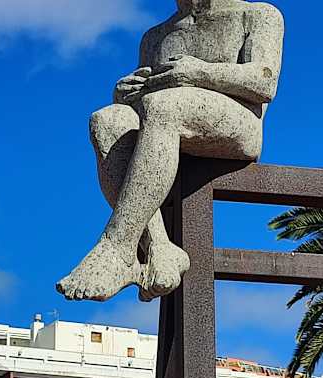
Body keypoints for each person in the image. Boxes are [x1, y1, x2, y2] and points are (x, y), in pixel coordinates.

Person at [57, 0, 284, 302]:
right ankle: (159, 249)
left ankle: (118, 248)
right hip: (163, 123)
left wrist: (198, 73)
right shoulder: (155, 37)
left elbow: (264, 82)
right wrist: (127, 92)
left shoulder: (257, 15)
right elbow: (144, 103)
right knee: (108, 121)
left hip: (238, 122)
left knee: (165, 105)